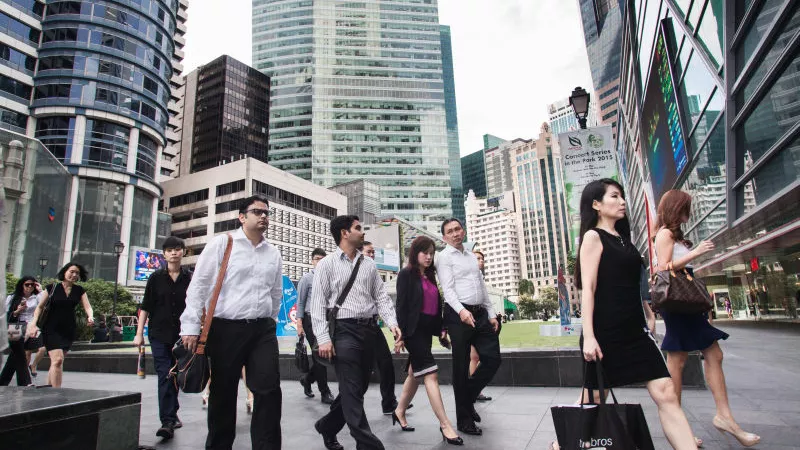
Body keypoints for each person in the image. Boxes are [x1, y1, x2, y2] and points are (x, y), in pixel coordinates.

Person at [570, 179, 696, 450]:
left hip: (635, 332)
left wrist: (648, 313)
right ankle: (565, 441)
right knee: (594, 398)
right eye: (614, 196)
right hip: (606, 333)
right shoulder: (593, 237)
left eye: (622, 196)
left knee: (666, 393)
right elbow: (588, 290)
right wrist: (589, 336)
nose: (622, 201)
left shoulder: (624, 241)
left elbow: (632, 285)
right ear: (596, 205)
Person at [654, 189, 760, 448]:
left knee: (713, 353)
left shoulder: (675, 235)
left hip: (687, 304)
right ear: (674, 209)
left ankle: (724, 417)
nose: (686, 215)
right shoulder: (664, 233)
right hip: (677, 304)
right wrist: (695, 253)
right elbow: (662, 267)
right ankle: (679, 426)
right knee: (677, 359)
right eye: (683, 210)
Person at [180, 195, 283, 450]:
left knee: (269, 391)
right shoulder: (223, 244)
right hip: (226, 329)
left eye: (266, 212)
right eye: (257, 211)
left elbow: (276, 292)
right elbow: (200, 286)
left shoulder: (273, 252)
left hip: (262, 330)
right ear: (242, 217)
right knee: (223, 394)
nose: (263, 216)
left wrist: (270, 320)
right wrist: (191, 326)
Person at [311, 215, 401, 450]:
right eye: (358, 228)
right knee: (351, 388)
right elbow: (318, 304)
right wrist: (323, 338)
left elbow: (381, 297)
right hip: (344, 331)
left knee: (357, 388)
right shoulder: (326, 264)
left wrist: (392, 323)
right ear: (344, 233)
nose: (363, 232)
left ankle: (327, 426)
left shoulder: (369, 264)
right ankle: (368, 444)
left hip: (369, 330)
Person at [393, 236, 463, 445]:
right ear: (415, 253)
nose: (429, 257)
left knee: (416, 373)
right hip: (413, 333)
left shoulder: (431, 277)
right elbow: (402, 307)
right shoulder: (406, 274)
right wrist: (401, 336)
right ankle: (445, 425)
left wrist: (441, 328)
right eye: (425, 252)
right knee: (430, 374)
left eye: (432, 253)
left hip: (426, 332)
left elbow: (434, 306)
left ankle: (399, 411)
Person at [436, 218, 500, 436]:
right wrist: (461, 312)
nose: (455, 234)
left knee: (493, 359)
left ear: (463, 231)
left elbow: (481, 285)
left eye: (457, 229)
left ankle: (467, 398)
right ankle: (464, 420)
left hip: (480, 313)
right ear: (444, 237)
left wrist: (491, 313)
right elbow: (448, 289)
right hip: (457, 314)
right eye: (450, 232)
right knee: (461, 368)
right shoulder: (444, 258)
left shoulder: (471, 257)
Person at [133, 236, 192, 440]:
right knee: (165, 373)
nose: (174, 253)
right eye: (169, 250)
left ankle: (172, 412)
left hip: (183, 336)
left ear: (184, 252)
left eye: (177, 249)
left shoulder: (190, 278)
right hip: (158, 334)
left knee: (175, 374)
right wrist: (139, 333)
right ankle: (167, 421)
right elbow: (146, 307)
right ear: (164, 254)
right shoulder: (155, 278)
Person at [26, 262, 95, 388]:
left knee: (57, 362)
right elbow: (40, 307)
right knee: (57, 360)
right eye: (71, 271)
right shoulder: (52, 287)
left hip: (68, 329)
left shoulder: (79, 290)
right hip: (51, 328)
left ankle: (49, 387)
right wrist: (33, 323)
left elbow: (88, 306)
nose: (74, 275)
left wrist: (90, 316)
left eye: (77, 273)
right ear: (64, 272)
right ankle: (57, 392)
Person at [360, 240, 402, 414]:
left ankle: (389, 402)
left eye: (373, 253)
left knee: (386, 364)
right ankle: (341, 411)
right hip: (352, 328)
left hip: (372, 326)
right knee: (359, 375)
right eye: (368, 252)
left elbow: (382, 299)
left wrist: (392, 324)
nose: (372, 255)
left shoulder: (373, 273)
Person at [296, 247, 334, 405]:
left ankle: (307, 379)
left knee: (325, 355)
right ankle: (325, 392)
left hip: (327, 319)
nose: (320, 261)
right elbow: (300, 302)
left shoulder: (329, 278)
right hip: (310, 320)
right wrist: (299, 323)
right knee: (319, 355)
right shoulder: (306, 279)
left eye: (322, 259)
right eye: (317, 258)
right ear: (312, 261)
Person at [1, 276, 39, 386]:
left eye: (33, 284)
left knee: (16, 354)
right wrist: (17, 311)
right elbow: (6, 314)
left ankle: (3, 381)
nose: (30, 287)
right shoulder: (13, 297)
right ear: (21, 285)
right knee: (19, 353)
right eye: (27, 284)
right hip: (14, 327)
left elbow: (44, 306)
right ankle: (25, 382)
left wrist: (40, 290)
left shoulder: (36, 297)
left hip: (30, 327)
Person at [470, 250, 491, 403]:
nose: (481, 261)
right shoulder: (471, 277)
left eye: (482, 258)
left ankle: (476, 389)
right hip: (470, 320)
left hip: (481, 320)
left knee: (477, 357)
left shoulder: (480, 277)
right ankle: (474, 389)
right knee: (474, 357)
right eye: (477, 258)